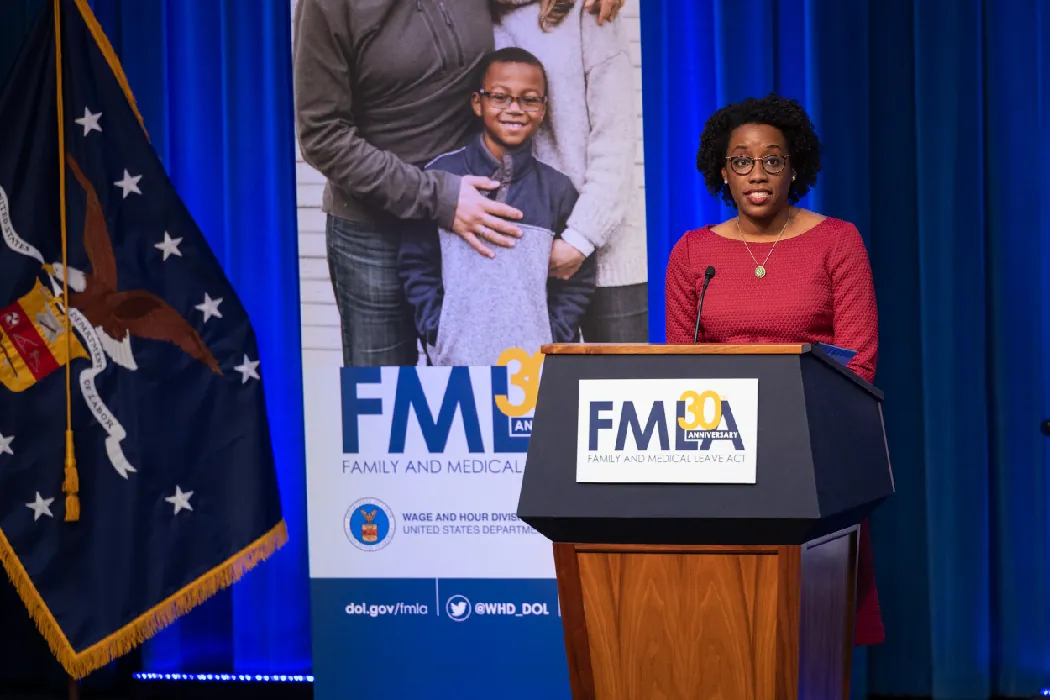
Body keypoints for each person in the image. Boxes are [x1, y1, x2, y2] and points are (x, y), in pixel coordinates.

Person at [663, 93, 885, 646]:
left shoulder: (837, 241)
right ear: (723, 171)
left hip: (815, 449)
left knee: (811, 623)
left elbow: (859, 359)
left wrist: (791, 428)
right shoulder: (691, 253)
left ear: (794, 167)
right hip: (721, 449)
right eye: (741, 160)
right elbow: (681, 363)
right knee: (728, 621)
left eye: (772, 160)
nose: (756, 174)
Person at [292, 0, 625, 367]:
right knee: (386, 393)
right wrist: (438, 198)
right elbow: (321, 134)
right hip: (375, 225)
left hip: (470, 216)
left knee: (487, 391)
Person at [398, 48, 596, 366]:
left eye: (529, 99)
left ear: (543, 109)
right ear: (478, 103)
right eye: (500, 97)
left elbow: (577, 280)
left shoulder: (557, 190)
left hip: (534, 372)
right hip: (456, 366)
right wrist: (439, 331)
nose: (514, 109)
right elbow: (417, 264)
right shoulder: (442, 178)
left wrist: (553, 338)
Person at [492, 0, 648, 344]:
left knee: (625, 378)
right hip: (522, 259)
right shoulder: (467, 18)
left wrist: (580, 239)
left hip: (607, 253)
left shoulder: (586, 9)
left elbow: (616, 137)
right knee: (540, 381)